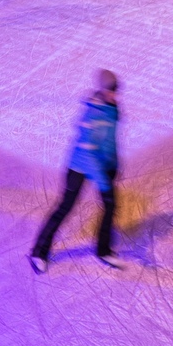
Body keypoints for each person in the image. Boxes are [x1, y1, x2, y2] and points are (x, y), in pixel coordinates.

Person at [30, 70, 124, 273]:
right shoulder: (92, 114)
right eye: (110, 91)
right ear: (102, 89)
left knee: (110, 205)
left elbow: (110, 141)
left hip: (102, 164)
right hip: (79, 166)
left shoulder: (113, 109)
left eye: (116, 92)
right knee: (65, 207)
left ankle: (103, 250)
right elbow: (88, 155)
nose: (114, 96)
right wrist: (104, 183)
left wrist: (114, 163)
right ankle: (39, 252)